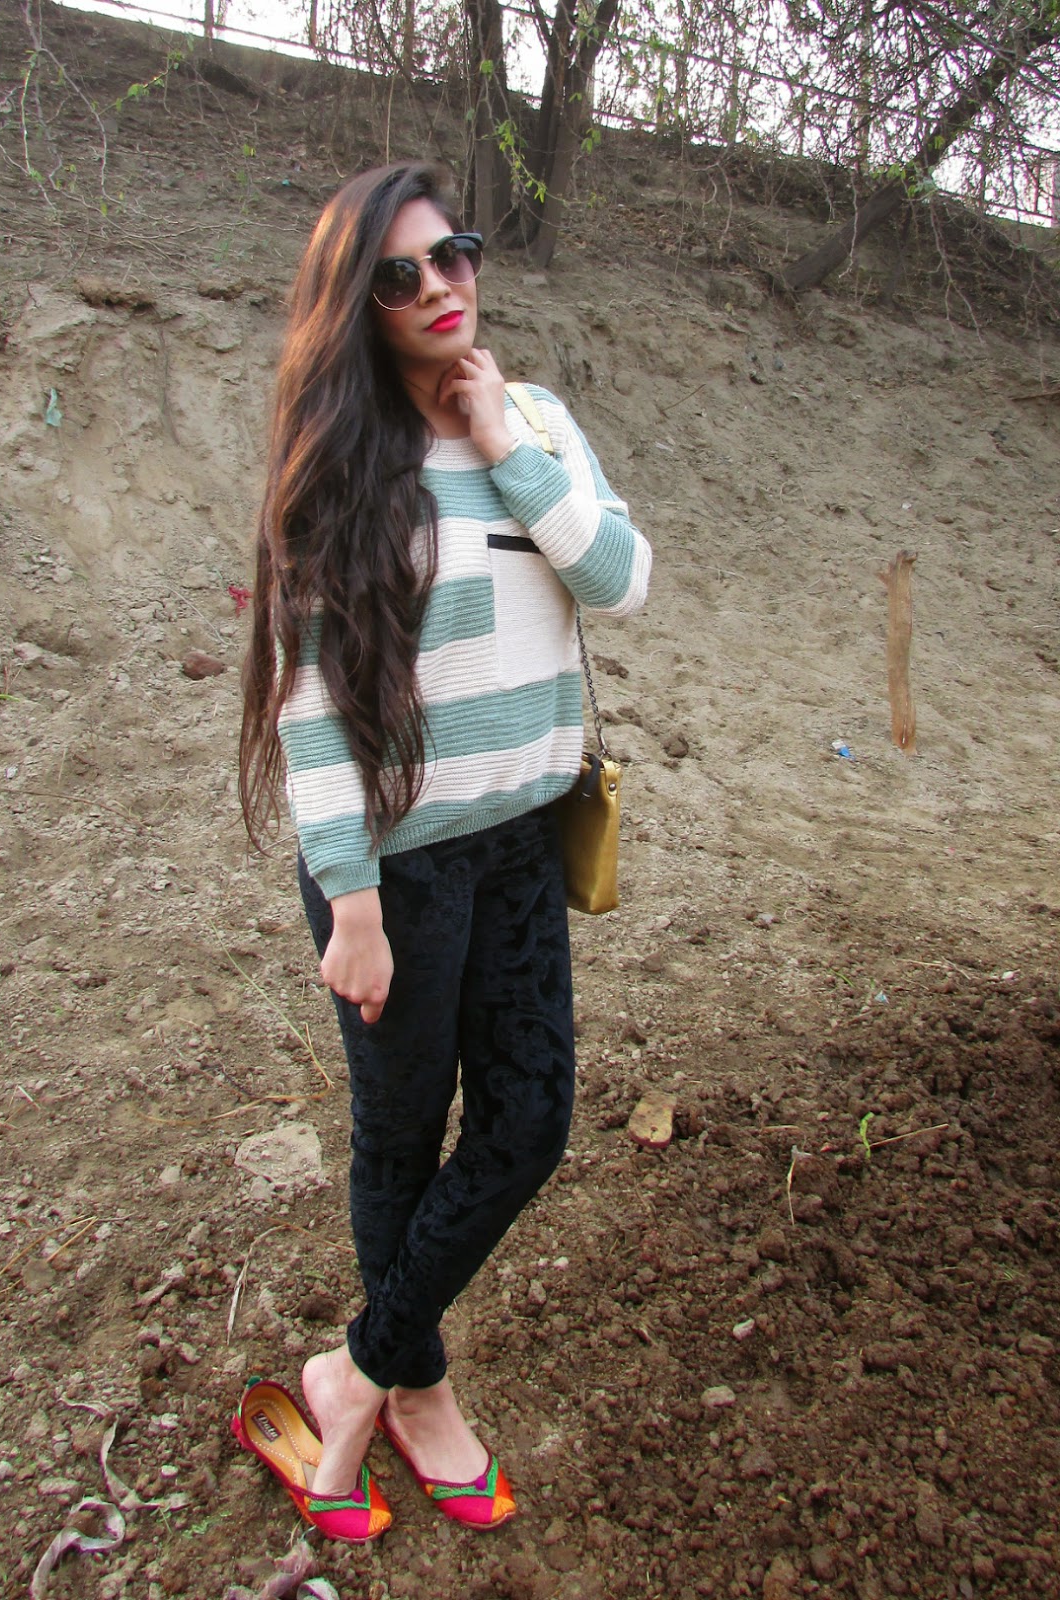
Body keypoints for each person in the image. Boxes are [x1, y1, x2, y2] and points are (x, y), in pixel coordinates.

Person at [237, 160, 651, 1540]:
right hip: (398, 869)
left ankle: (354, 1372)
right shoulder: (340, 462)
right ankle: (419, 1391)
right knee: (402, 1139)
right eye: (399, 274)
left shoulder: (536, 419)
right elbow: (310, 707)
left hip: (522, 843)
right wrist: (351, 904)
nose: (439, 286)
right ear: (357, 304)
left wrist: (505, 443)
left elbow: (620, 579)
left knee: (528, 1123)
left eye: (454, 253)